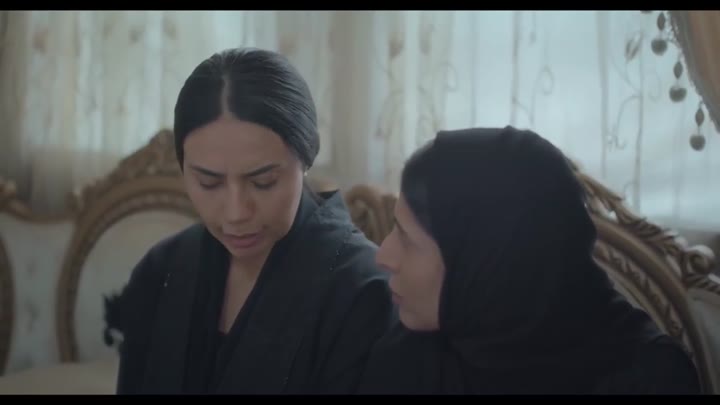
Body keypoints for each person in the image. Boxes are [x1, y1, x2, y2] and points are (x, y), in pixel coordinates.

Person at [110, 47, 393, 394]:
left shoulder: (365, 293)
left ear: (306, 158)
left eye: (263, 182)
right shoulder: (162, 270)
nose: (236, 213)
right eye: (209, 183)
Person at [358, 126, 702, 394]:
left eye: (408, 239)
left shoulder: (648, 379)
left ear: (490, 266)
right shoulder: (407, 356)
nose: (383, 256)